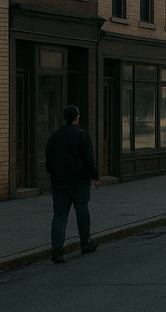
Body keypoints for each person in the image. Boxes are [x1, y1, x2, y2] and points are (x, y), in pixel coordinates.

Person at [44, 104, 101, 263]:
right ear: (76, 117)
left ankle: (57, 251)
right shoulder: (82, 136)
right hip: (79, 182)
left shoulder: (55, 136)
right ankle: (86, 243)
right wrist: (94, 177)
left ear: (64, 117)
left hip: (60, 183)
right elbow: (89, 159)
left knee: (60, 215)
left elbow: (48, 157)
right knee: (82, 211)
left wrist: (52, 173)